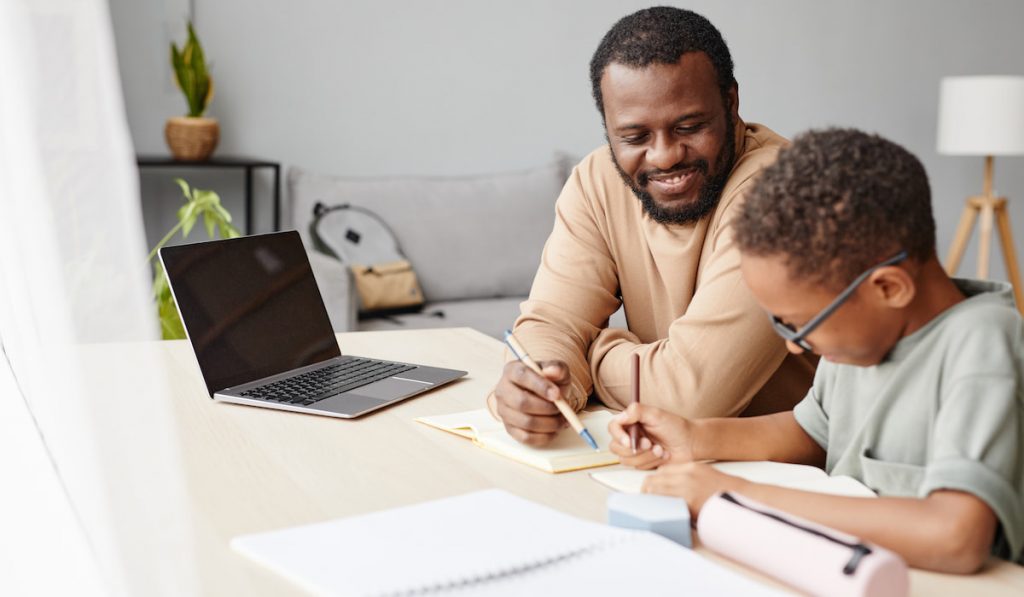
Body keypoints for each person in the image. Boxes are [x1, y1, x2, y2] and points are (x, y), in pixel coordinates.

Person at [608, 128, 1024, 572]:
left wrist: (731, 496)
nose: (793, 345)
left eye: (804, 325)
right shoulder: (863, 337)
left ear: (888, 287)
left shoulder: (983, 342)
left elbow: (955, 536)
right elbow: (813, 433)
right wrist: (694, 438)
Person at [490, 6, 815, 446]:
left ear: (731, 103)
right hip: (661, 461)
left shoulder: (786, 189)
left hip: (788, 472)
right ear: (607, 128)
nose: (664, 156)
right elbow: (551, 323)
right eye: (635, 137)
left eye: (689, 126)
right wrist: (539, 382)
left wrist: (594, 354)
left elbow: (692, 396)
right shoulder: (596, 181)